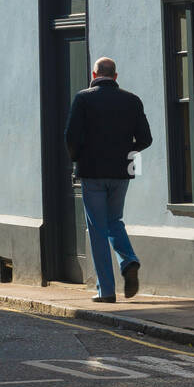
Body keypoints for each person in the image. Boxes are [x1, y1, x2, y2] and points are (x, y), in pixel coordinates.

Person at [64, 56, 153, 303]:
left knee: (98, 230)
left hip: (92, 173)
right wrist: (125, 151)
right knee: (115, 220)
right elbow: (146, 139)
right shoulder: (132, 100)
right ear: (115, 76)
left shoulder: (83, 98)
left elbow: (70, 136)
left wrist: (78, 158)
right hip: (120, 172)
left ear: (94, 76)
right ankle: (128, 260)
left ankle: (107, 290)